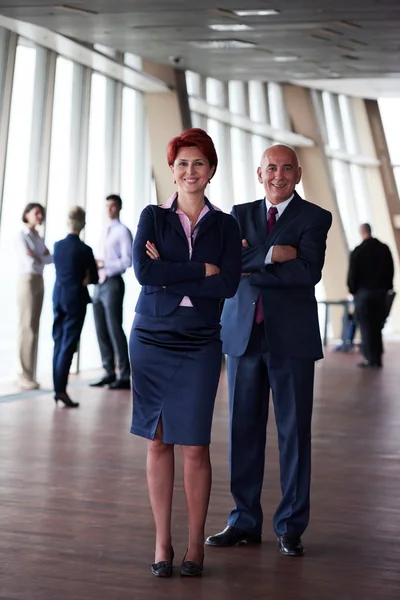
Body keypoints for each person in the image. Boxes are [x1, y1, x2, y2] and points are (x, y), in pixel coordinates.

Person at [206, 144, 332, 557]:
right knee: (242, 430)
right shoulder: (237, 214)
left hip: (291, 341)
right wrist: (275, 255)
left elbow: (307, 273)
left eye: (286, 168)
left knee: (294, 434)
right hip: (243, 337)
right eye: (270, 168)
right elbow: (229, 264)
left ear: (298, 174)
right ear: (259, 174)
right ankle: (244, 520)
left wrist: (252, 263)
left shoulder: (315, 217)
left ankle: (290, 526)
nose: (278, 175)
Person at [130, 128, 241, 577]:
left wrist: (170, 271)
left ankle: (195, 546)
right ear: (171, 171)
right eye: (182, 164)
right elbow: (142, 272)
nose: (189, 171)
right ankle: (163, 544)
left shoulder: (227, 225)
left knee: (194, 444)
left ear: (210, 170)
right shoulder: (152, 217)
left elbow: (228, 283)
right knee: (158, 441)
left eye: (198, 163)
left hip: (199, 340)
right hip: (151, 336)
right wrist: (200, 269)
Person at [52, 206, 99, 408]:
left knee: (58, 341)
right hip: (75, 299)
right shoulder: (85, 250)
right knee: (69, 345)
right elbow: (95, 277)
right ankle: (61, 390)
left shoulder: (57, 246)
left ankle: (58, 388)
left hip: (59, 296)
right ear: (83, 224)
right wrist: (87, 277)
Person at [90, 194, 133, 390]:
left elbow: (127, 261)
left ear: (119, 208)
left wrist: (105, 264)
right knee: (100, 328)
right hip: (98, 283)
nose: (110, 209)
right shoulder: (102, 230)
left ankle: (124, 374)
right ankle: (108, 371)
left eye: (113, 206)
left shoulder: (122, 231)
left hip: (113, 283)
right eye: (107, 205)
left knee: (115, 327)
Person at [347, 223, 394, 369]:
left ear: (362, 232)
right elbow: (391, 269)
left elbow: (352, 274)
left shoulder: (358, 251)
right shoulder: (383, 248)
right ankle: (377, 357)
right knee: (377, 325)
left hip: (363, 295)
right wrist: (386, 287)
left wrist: (353, 290)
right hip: (380, 294)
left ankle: (369, 358)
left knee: (366, 327)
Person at [16, 203, 53, 390]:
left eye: (42, 213)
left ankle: (30, 373)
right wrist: (41, 257)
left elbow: (49, 259)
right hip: (28, 280)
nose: (40, 216)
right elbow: (31, 260)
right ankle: (24, 374)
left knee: (34, 326)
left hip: (39, 280)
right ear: (27, 214)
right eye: (36, 212)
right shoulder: (23, 235)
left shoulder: (38, 237)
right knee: (27, 326)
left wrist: (39, 257)